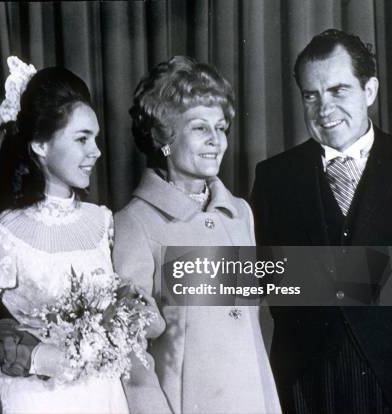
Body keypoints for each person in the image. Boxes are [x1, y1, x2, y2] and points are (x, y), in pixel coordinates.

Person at [251, 29, 392, 414]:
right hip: (303, 385)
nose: (324, 108)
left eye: (338, 91)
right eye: (311, 95)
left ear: (369, 91)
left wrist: (309, 278)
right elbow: (261, 277)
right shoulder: (274, 177)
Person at [113, 55, 281, 414]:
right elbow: (130, 352)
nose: (215, 141)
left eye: (220, 128)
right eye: (199, 127)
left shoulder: (240, 215)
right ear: (165, 138)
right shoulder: (135, 224)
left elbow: (251, 327)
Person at [0, 63, 130, 414]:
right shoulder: (3, 232)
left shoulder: (103, 222)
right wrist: (35, 357)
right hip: (36, 398)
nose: (97, 152)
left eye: (96, 138)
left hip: (103, 393)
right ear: (41, 145)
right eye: (81, 138)